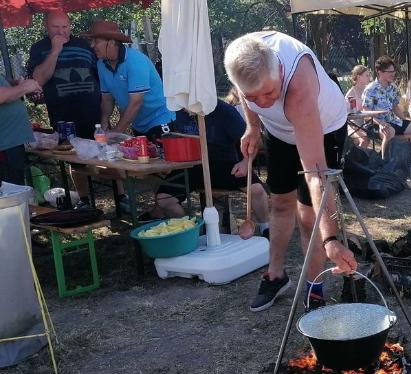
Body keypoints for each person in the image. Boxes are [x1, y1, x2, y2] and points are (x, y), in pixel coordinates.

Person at [223, 32, 357, 312]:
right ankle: (276, 275)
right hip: (278, 134)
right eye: (253, 97)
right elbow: (249, 99)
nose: (263, 103)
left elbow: (316, 174)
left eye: (270, 93)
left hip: (325, 127)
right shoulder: (242, 59)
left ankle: (314, 287)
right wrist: (253, 127)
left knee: (309, 217)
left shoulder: (298, 88)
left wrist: (331, 239)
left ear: (280, 71)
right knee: (280, 204)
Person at [28, 12, 125, 210]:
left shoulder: (84, 45)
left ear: (70, 26)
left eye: (65, 27)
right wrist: (55, 50)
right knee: (75, 160)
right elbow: (38, 80)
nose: (61, 31)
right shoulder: (39, 49)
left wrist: (106, 110)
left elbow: (101, 75)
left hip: (93, 112)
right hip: (63, 116)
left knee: (107, 154)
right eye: (56, 27)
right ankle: (85, 200)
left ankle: (121, 196)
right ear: (46, 26)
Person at [138, 100, 269, 230]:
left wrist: (246, 162)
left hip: (225, 165)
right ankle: (189, 231)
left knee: (257, 190)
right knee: (164, 200)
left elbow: (253, 141)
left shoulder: (225, 111)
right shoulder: (178, 110)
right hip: (191, 167)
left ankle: (266, 229)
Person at [82, 21, 174, 140]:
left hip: (160, 120)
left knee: (162, 158)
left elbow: (136, 102)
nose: (92, 45)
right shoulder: (101, 64)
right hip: (138, 124)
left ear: (111, 42)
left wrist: (116, 132)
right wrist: (103, 125)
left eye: (96, 41)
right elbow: (107, 99)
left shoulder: (135, 61)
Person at [362, 56, 411, 169]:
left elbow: (395, 107)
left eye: (394, 71)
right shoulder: (370, 89)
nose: (393, 74)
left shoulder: (392, 87)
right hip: (374, 123)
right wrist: (380, 123)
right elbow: (365, 112)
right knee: (390, 132)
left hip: (392, 121)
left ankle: (408, 161)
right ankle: (385, 166)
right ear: (379, 72)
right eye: (389, 72)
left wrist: (405, 120)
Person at [0, 77, 40, 185]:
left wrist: (14, 84)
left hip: (10, 143)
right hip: (5, 145)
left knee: (15, 189)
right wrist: (25, 87)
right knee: (11, 194)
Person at [344, 65, 374, 148]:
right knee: (364, 140)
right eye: (367, 75)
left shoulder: (369, 90)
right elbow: (347, 115)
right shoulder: (350, 94)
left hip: (368, 123)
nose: (369, 78)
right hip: (353, 125)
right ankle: (358, 159)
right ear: (359, 77)